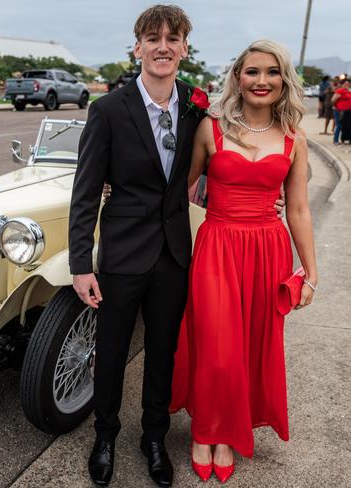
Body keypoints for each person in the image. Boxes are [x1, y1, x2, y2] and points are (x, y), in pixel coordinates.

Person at [170, 40, 318, 483]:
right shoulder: (209, 129)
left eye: (272, 72)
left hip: (268, 252)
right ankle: (206, 430)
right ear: (238, 77)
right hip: (217, 246)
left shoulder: (294, 137)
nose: (262, 81)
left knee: (251, 346)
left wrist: (311, 272)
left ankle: (230, 430)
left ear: (283, 80)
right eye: (252, 72)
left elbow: (298, 209)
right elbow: (182, 191)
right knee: (217, 347)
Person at [70, 5, 205, 487]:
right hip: (123, 254)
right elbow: (85, 192)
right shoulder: (107, 110)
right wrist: (81, 264)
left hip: (173, 254)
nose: (163, 46)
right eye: (153, 38)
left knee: (162, 352)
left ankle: (154, 438)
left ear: (185, 48)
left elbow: (217, 162)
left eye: (173, 38)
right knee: (110, 352)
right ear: (138, 48)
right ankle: (105, 435)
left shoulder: (197, 104)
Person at [332, 77, 351, 144]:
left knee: (347, 126)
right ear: (342, 84)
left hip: (348, 111)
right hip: (340, 111)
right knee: (339, 125)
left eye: (348, 83)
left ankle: (345, 139)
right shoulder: (340, 90)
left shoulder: (348, 91)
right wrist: (336, 107)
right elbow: (333, 100)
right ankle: (335, 140)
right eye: (345, 83)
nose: (347, 85)